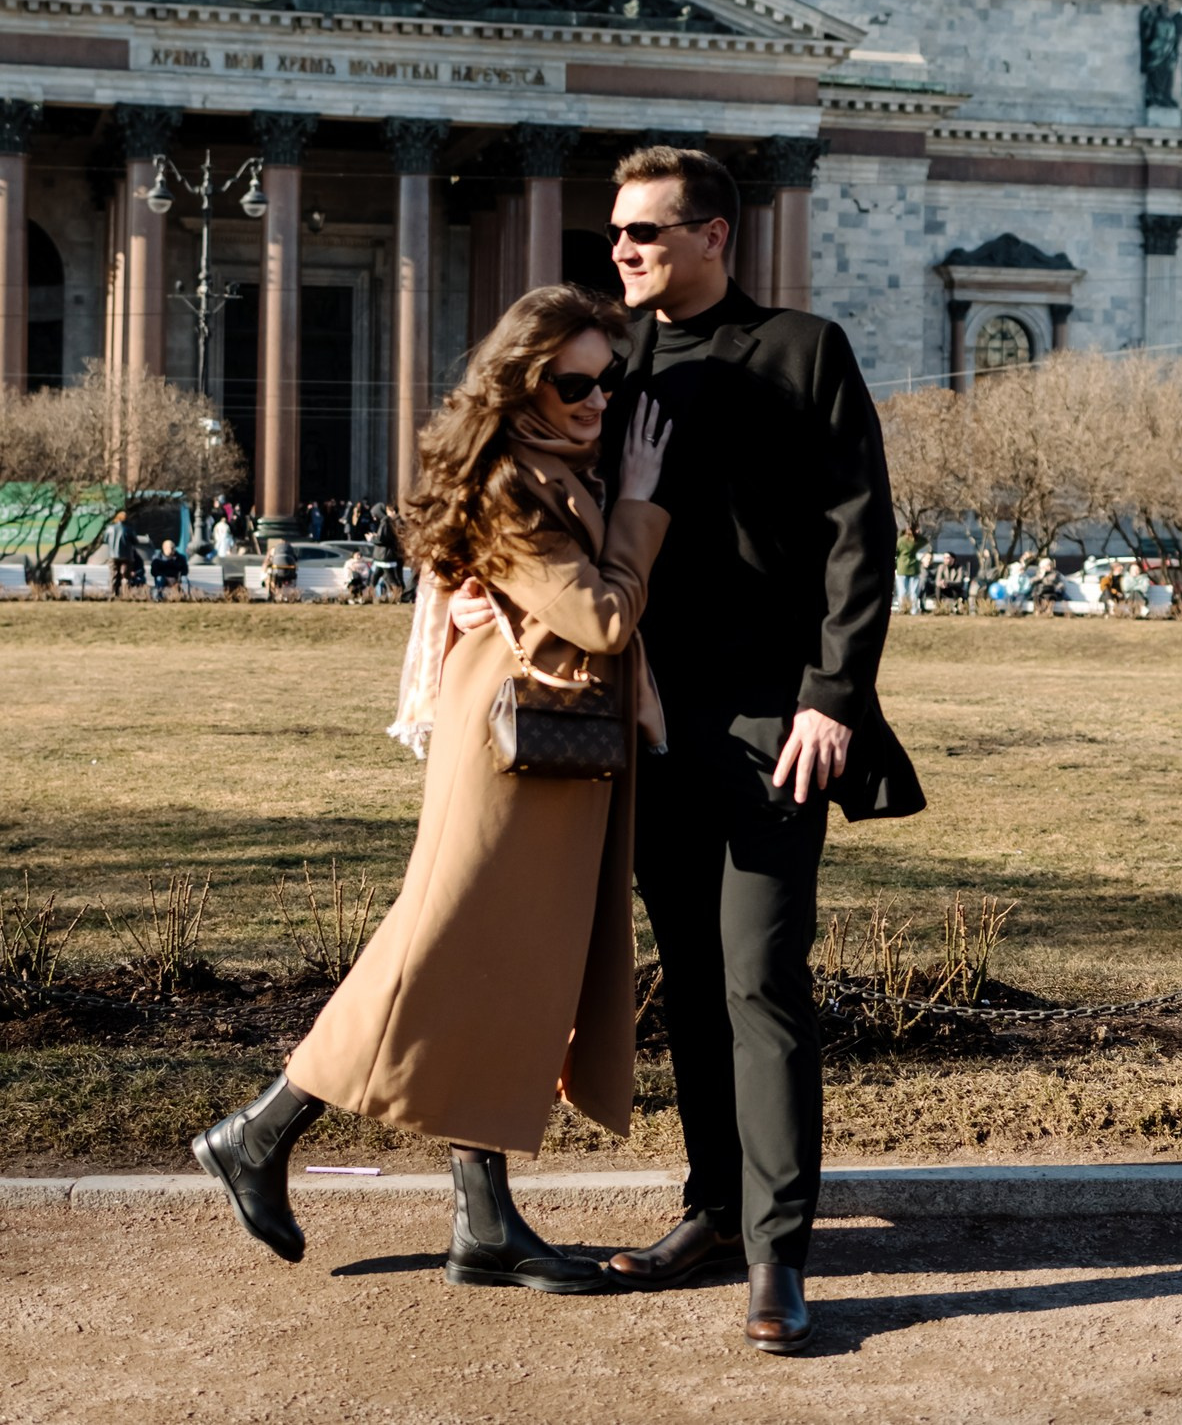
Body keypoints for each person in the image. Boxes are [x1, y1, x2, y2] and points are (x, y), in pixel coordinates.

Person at [455, 147, 922, 1355]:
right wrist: (473, 590)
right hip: (647, 724)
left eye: (647, 232)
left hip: (779, 723)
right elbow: (507, 473)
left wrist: (832, 696)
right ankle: (713, 1210)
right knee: (697, 987)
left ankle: (779, 1255)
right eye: (615, 232)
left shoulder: (804, 349)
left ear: (716, 234)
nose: (620, 250)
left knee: (762, 978)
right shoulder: (612, 363)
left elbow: (857, 538)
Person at [193, 286, 671, 1292]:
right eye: (571, 381)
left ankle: (483, 1221)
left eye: (605, 381)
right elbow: (600, 620)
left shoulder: (547, 467)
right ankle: (257, 1132)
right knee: (439, 950)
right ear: (521, 382)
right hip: (514, 752)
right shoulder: (516, 483)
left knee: (497, 972)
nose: (594, 400)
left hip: (539, 750)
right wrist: (637, 505)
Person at [104, 510, 138, 598]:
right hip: (126, 555)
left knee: (113, 575)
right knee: (125, 576)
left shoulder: (110, 528)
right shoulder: (128, 529)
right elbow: (135, 541)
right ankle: (126, 594)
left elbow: (105, 540)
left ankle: (113, 594)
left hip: (112, 555)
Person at [894, 526, 927, 613]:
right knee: (914, 591)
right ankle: (914, 610)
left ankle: (903, 609)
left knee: (902, 591)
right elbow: (925, 541)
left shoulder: (900, 540)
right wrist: (917, 535)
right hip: (914, 567)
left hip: (901, 566)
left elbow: (896, 551)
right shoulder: (915, 541)